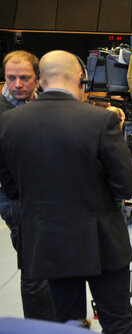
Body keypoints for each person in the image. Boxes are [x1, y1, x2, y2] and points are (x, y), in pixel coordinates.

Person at [0, 50, 132, 332]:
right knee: (118, 320)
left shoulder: (8, 124)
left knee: (67, 323)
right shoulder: (100, 120)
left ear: (40, 80)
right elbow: (127, 185)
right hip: (102, 243)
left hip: (48, 243)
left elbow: (11, 188)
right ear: (80, 78)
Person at [0, 50, 55, 321]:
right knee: (35, 271)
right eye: (11, 78)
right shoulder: (2, 114)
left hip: (47, 197)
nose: (17, 84)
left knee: (52, 263)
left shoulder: (43, 105)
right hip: (18, 200)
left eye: (24, 78)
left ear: (38, 78)